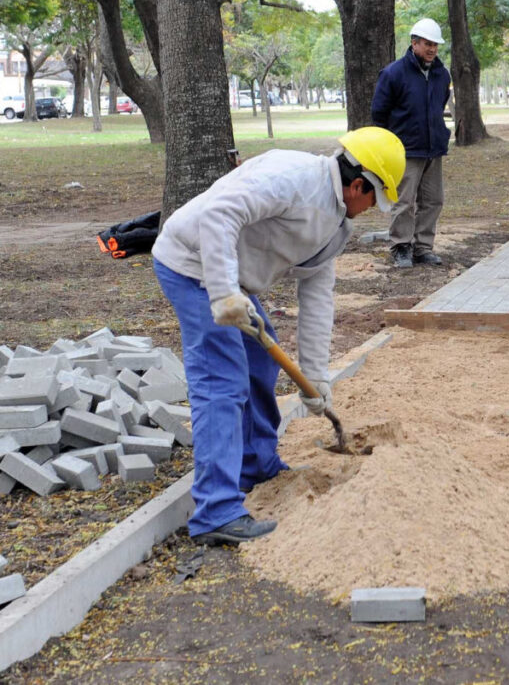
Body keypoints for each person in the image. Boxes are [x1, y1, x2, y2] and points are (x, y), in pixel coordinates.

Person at [151, 127, 405, 545]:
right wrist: (223, 291)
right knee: (223, 380)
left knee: (261, 362)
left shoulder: (336, 225)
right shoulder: (293, 178)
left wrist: (317, 377)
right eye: (374, 199)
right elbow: (219, 214)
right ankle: (216, 512)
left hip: (234, 283)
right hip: (192, 265)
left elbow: (318, 296)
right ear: (358, 184)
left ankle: (255, 463)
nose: (371, 208)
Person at [371, 17, 452, 269]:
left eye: (435, 45)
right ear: (414, 43)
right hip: (404, 150)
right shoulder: (394, 73)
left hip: (433, 149)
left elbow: (439, 105)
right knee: (404, 202)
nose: (432, 49)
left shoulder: (441, 73)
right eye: (427, 44)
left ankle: (422, 248)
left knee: (433, 200)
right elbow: (379, 112)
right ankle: (401, 247)